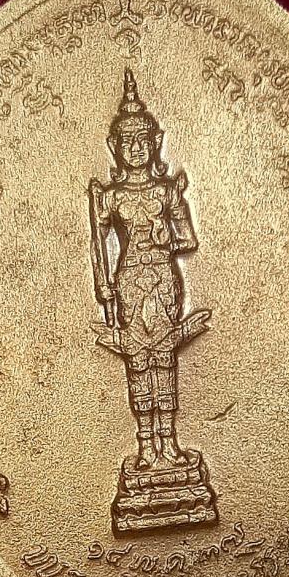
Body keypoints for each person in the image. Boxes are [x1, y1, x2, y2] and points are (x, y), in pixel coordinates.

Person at [89, 69, 210, 470]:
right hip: (129, 281)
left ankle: (169, 442)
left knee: (164, 354)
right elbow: (99, 246)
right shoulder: (111, 198)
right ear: (115, 147)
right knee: (137, 357)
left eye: (143, 141)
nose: (137, 149)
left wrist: (167, 240)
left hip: (162, 278)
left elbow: (187, 240)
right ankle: (145, 444)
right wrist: (103, 285)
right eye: (128, 142)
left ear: (155, 143)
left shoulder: (166, 191)